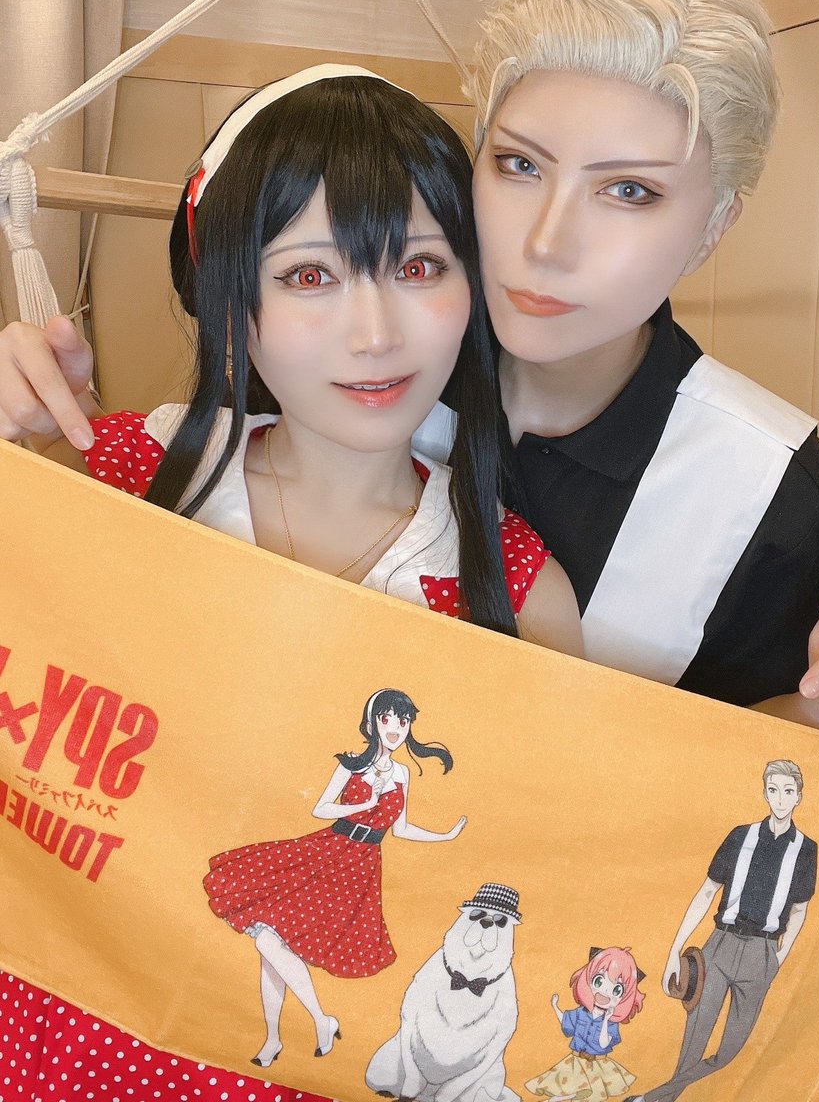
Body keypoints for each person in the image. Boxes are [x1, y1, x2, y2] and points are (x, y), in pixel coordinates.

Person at [0, 64, 582, 1101]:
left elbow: (563, 851)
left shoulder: (517, 588)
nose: (376, 333)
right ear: (233, 300)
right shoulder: (117, 478)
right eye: (310, 276)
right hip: (55, 1034)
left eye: (419, 266)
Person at [413, 0, 819, 743]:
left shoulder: (769, 492)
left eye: (628, 190)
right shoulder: (372, 365)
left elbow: (744, 752)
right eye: (518, 164)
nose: (545, 242)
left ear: (712, 226)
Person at [203, 687, 464, 1066]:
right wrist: (365, 802)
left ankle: (275, 1040)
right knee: (269, 944)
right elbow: (321, 808)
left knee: (272, 947)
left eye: (403, 720)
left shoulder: (403, 773)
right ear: (372, 723)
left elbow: (401, 828)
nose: (395, 728)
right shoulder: (352, 764)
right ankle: (316, 1022)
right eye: (387, 719)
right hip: (326, 853)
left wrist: (444, 836)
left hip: (359, 870)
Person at [624, 760, 815, 1102]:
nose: (780, 799)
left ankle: (652, 1097)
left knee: (729, 1051)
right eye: (773, 790)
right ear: (764, 793)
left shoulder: (806, 849)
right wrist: (674, 950)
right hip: (720, 944)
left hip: (762, 953)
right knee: (694, 1039)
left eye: (788, 791)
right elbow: (707, 891)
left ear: (798, 796)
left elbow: (800, 909)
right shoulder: (741, 836)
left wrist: (779, 957)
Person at [526, 946, 645, 1101]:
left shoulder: (611, 1023)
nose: (604, 992)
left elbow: (603, 1044)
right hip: (575, 1063)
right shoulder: (581, 1013)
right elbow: (567, 1022)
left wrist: (606, 1020)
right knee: (567, 1092)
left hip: (598, 1066)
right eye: (599, 981)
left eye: (616, 990)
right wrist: (555, 1007)